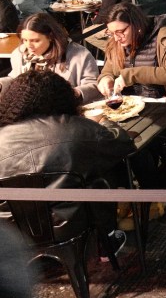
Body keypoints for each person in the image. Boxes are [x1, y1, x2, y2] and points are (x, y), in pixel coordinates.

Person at [0, 70, 133, 259]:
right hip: (67, 225)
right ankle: (107, 241)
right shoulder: (76, 128)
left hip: (10, 230)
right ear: (62, 98)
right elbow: (122, 144)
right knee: (102, 176)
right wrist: (104, 121)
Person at [97, 3, 166, 151]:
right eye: (111, 32)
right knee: (111, 143)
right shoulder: (116, 43)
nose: (116, 37)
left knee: (138, 147)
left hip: (162, 107)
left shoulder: (164, 36)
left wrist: (131, 74)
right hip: (129, 109)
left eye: (121, 31)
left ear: (136, 24)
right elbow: (107, 71)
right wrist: (105, 79)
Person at [0, 12, 100, 103]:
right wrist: (1, 84)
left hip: (65, 110)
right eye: (25, 40)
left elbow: (94, 85)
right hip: (28, 109)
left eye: (35, 41)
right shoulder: (20, 53)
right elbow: (15, 79)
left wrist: (75, 93)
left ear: (51, 37)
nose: (29, 46)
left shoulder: (78, 54)